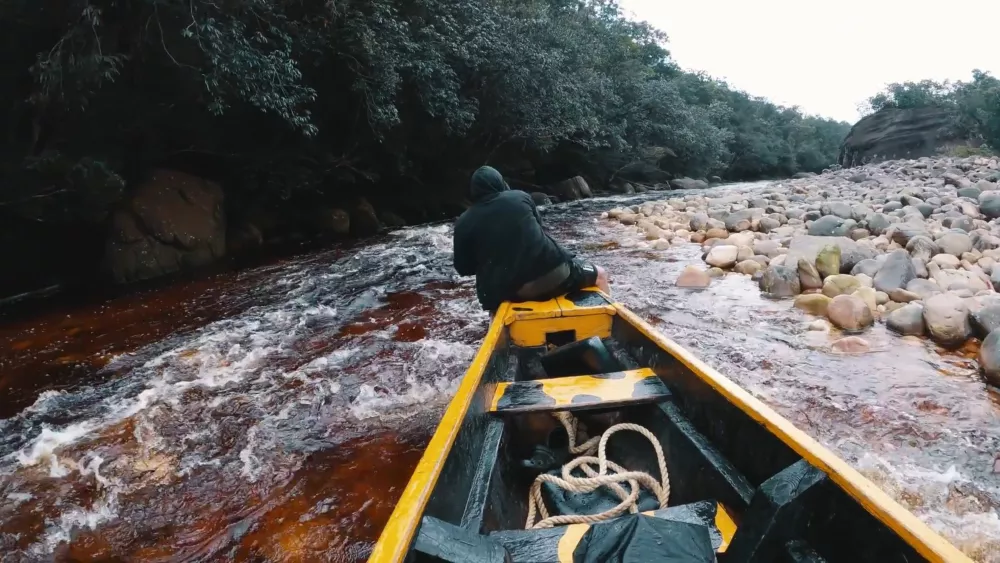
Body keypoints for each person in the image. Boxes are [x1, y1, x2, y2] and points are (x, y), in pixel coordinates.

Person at [453, 166, 610, 314]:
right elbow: (538, 229)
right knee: (600, 274)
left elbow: (463, 269)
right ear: (500, 182)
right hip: (552, 276)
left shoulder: (463, 221)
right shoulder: (519, 197)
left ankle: (499, 333)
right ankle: (611, 326)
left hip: (505, 292)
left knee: (495, 304)